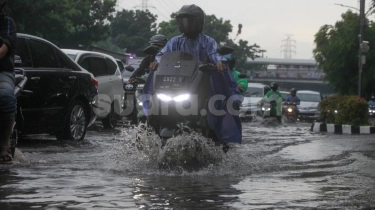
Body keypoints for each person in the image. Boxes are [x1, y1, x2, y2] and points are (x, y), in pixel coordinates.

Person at [145, 4, 242, 145]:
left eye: (190, 21)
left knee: (216, 105)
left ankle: (215, 134)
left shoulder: (208, 41)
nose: (186, 25)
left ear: (199, 22)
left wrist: (219, 62)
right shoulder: (175, 41)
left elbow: (215, 54)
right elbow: (163, 54)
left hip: (200, 83)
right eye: (183, 21)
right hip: (177, 84)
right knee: (157, 103)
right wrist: (157, 61)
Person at [0, 0, 17, 164]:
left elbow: (5, 47)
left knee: (6, 97)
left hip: (2, 71)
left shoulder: (7, 23)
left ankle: (4, 143)